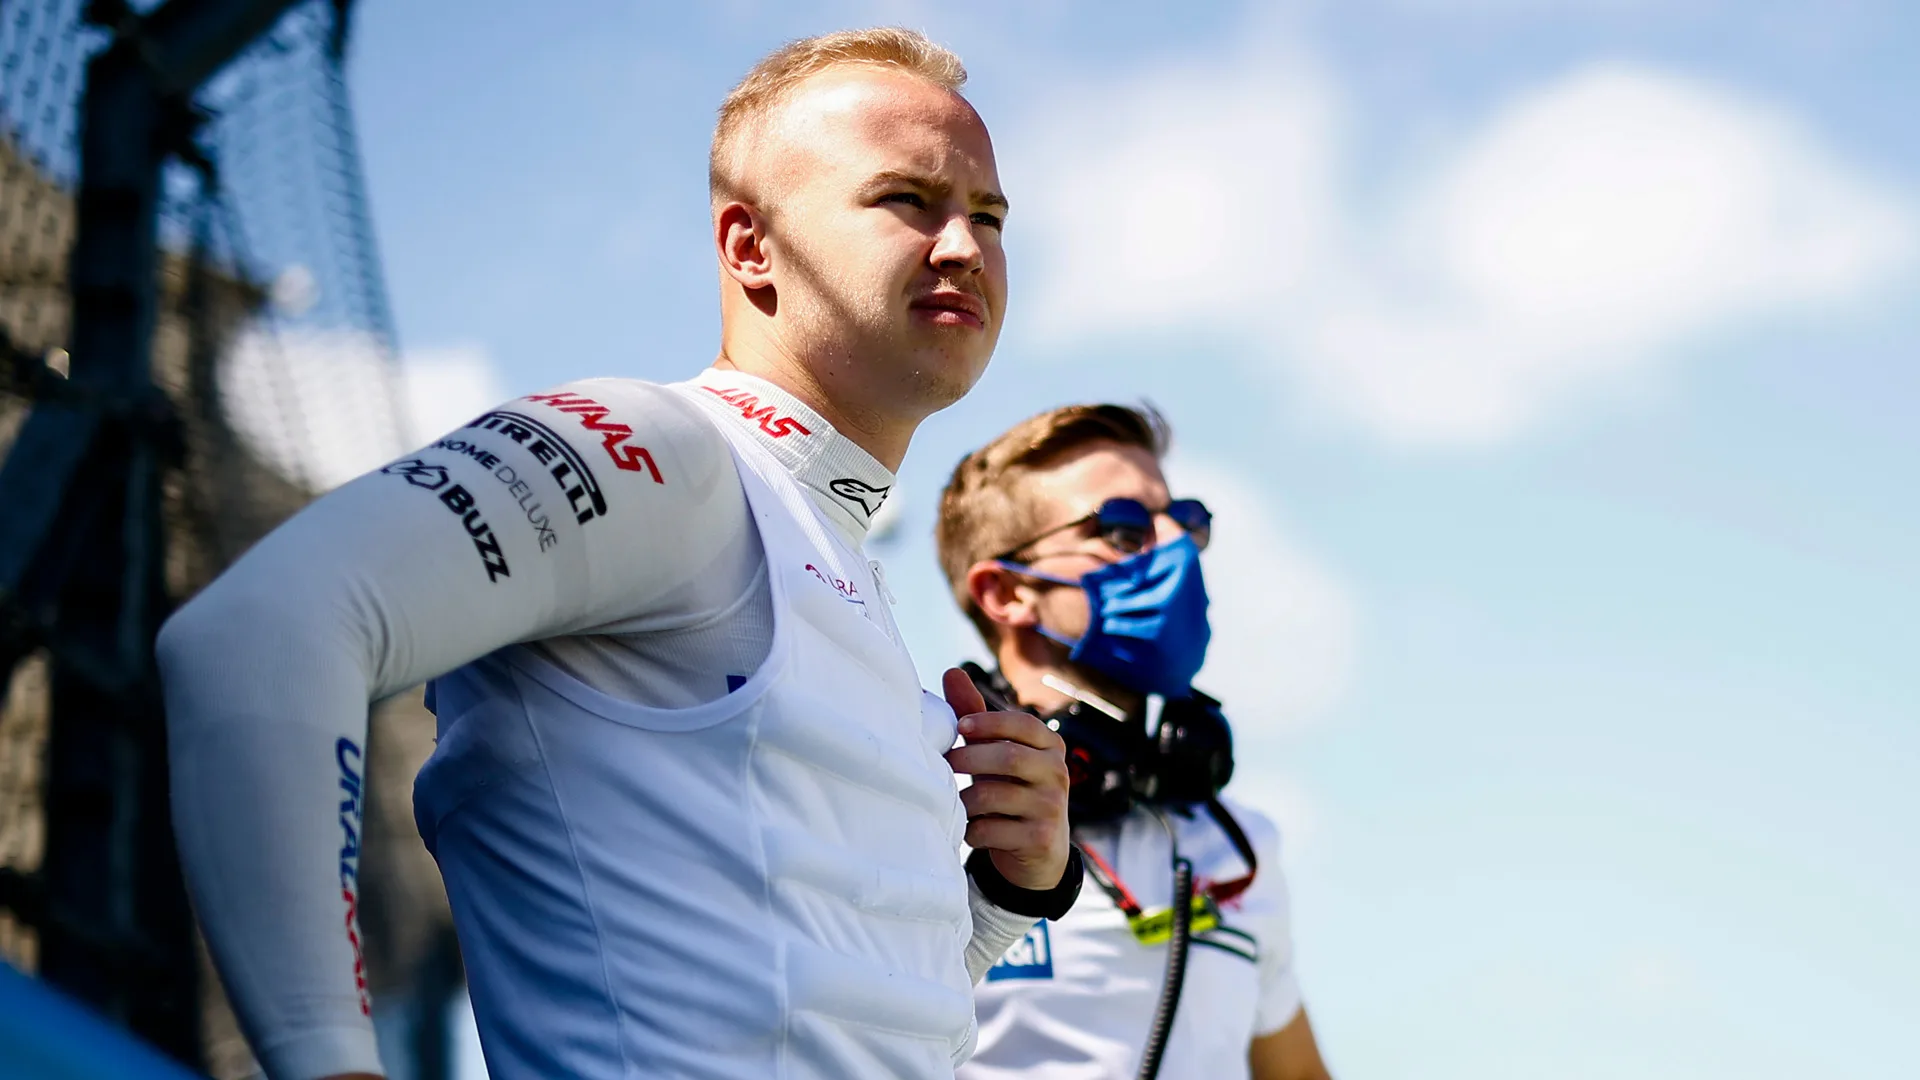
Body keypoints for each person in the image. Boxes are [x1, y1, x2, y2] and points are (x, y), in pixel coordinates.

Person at [157, 29, 1078, 1080]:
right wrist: (327, 1061)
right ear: (748, 248)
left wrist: (1007, 898)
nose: (963, 244)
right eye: (908, 200)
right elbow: (259, 632)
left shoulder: (845, 570)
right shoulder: (670, 452)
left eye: (989, 215)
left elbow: (846, 1021)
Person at [935, 405, 1335, 1080]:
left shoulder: (1240, 844)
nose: (1175, 548)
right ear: (1006, 592)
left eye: (1186, 521)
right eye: (1124, 528)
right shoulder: (922, 807)